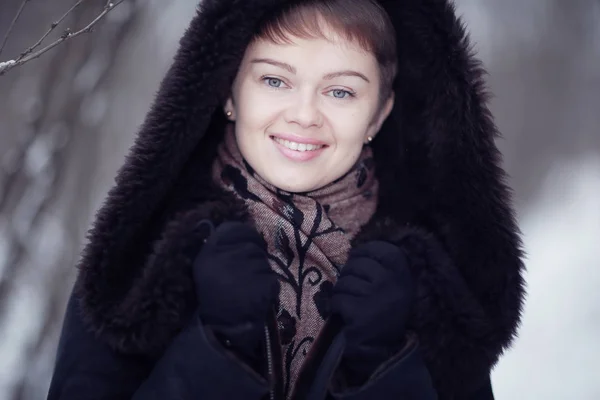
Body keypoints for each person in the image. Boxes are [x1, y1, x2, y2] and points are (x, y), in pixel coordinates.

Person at [47, 0, 525, 399]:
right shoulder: (143, 256)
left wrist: (384, 363)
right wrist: (215, 349)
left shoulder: (430, 279)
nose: (304, 115)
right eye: (275, 80)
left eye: (340, 91)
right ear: (229, 91)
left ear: (378, 115)